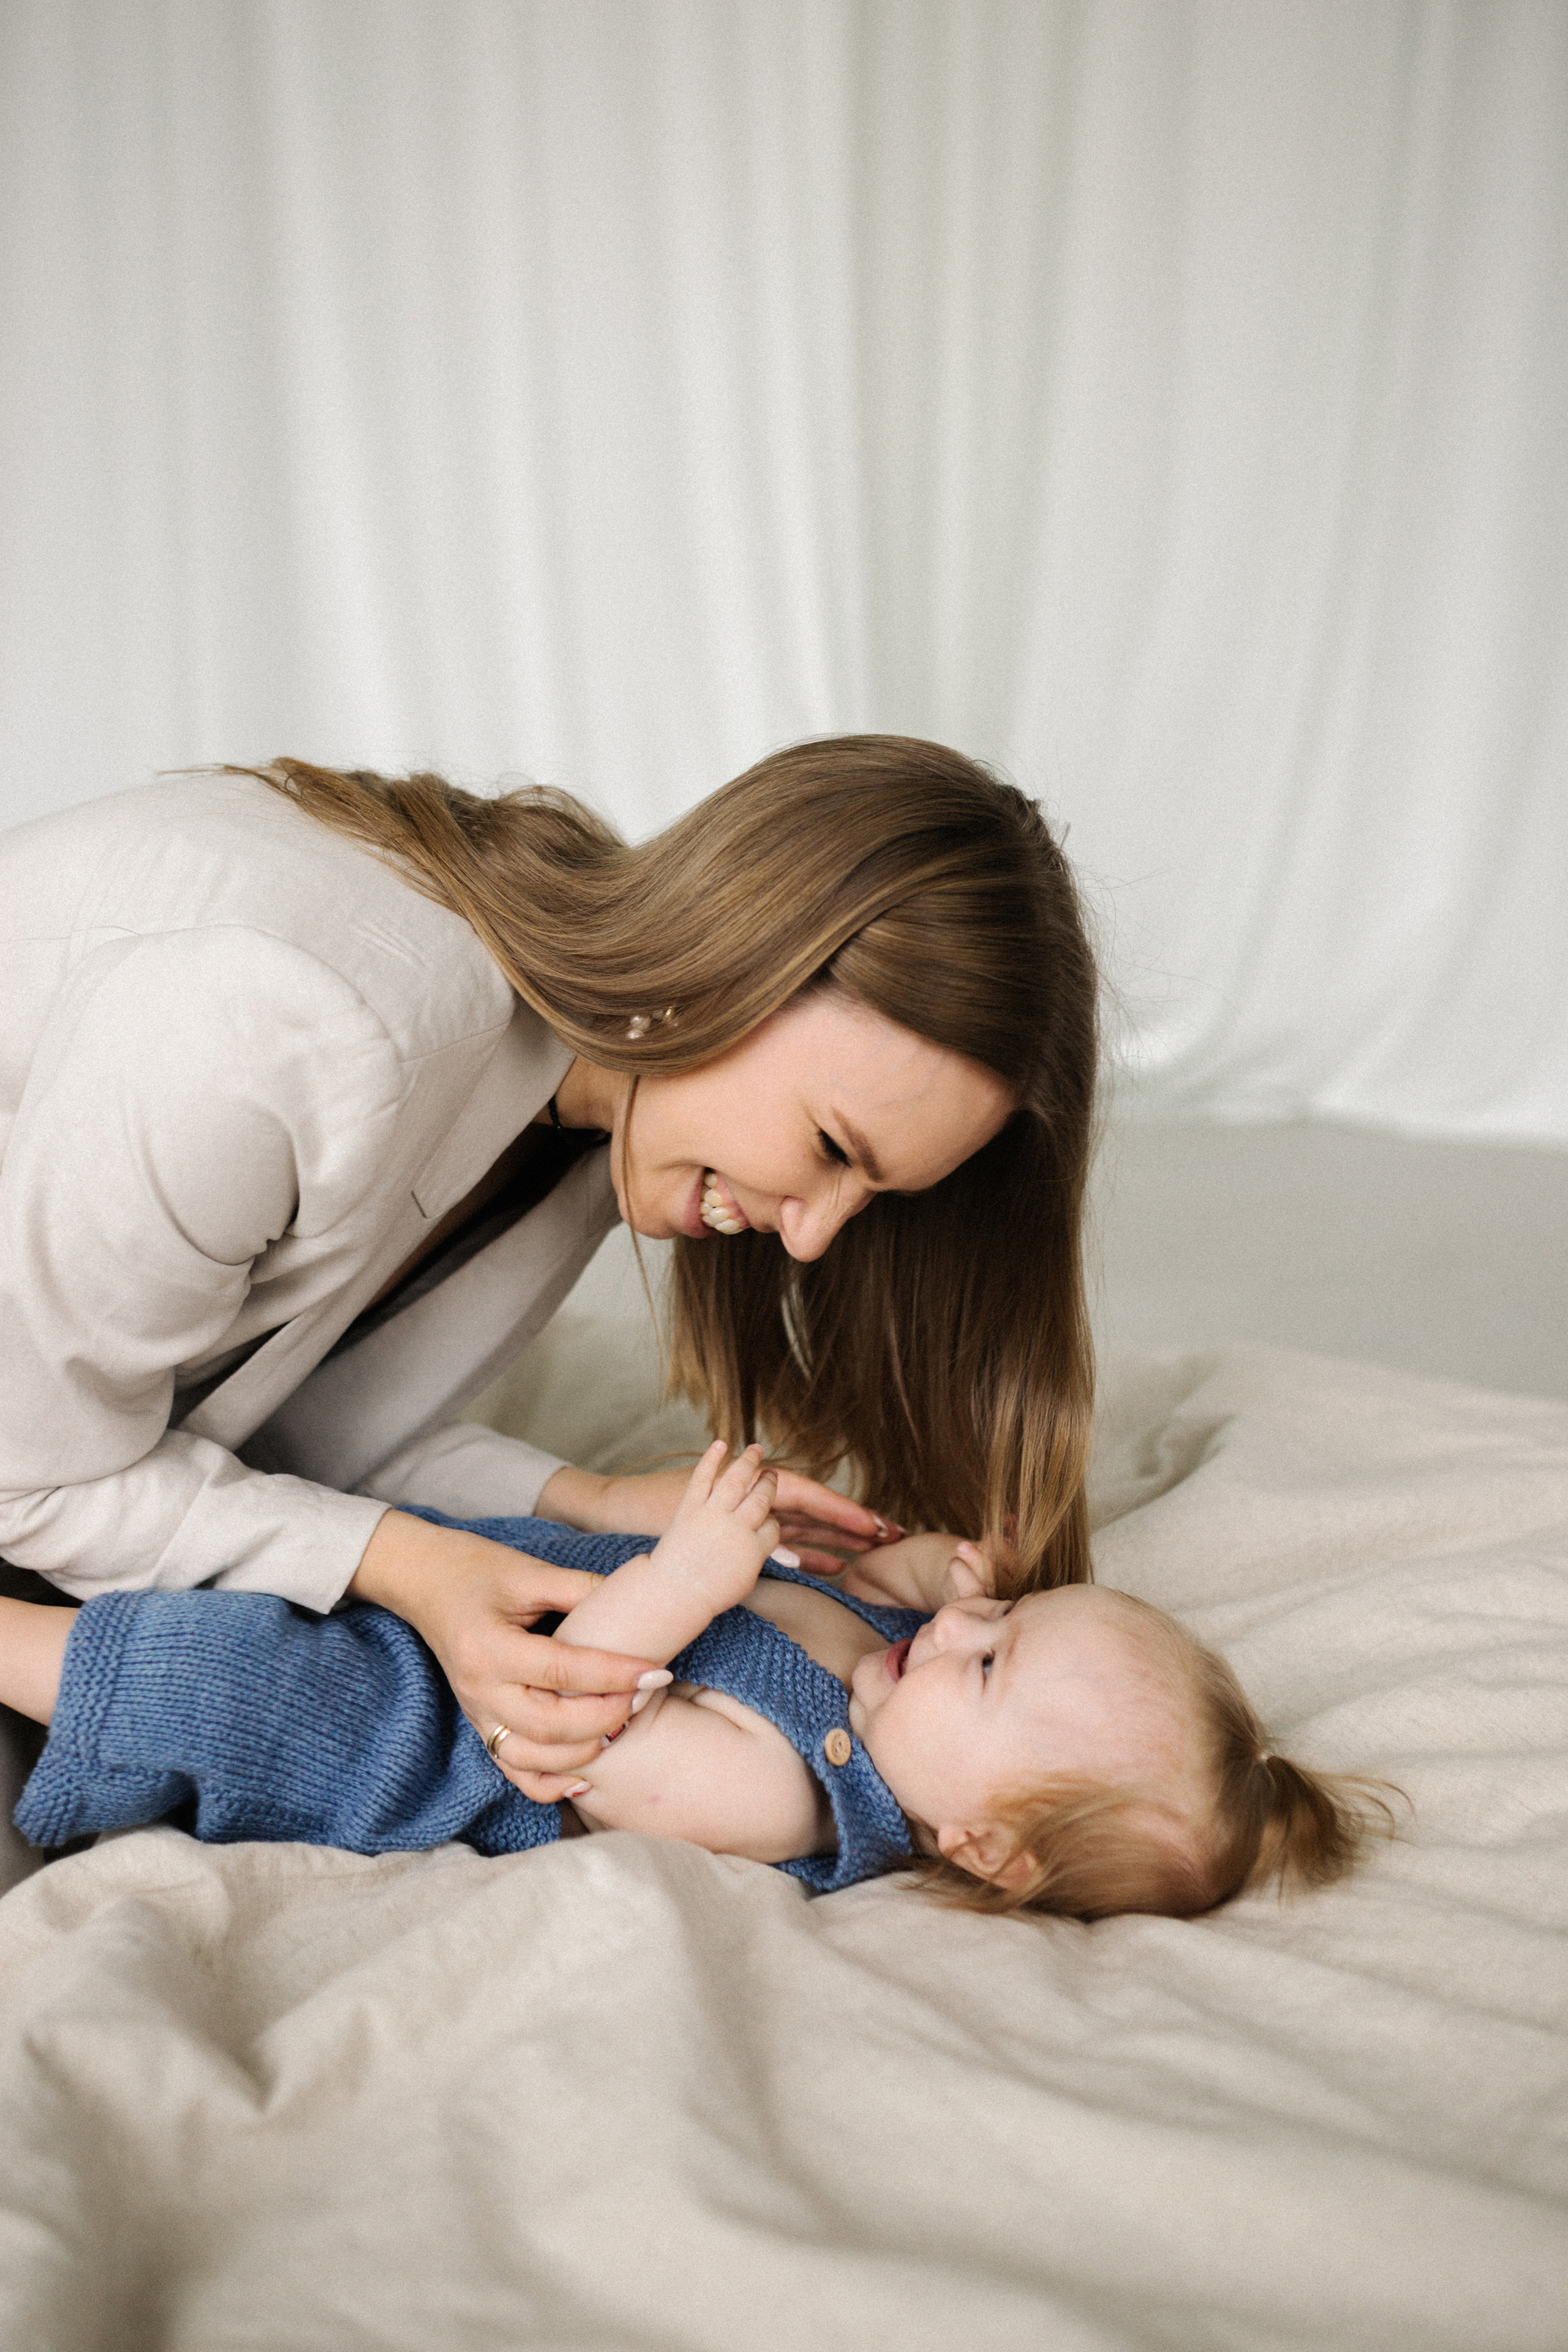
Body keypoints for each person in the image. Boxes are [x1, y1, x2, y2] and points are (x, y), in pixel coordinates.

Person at [0, 737, 1098, 1798]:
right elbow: (27, 1477)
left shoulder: (590, 1120)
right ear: (739, 957)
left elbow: (276, 1418)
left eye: (872, 1200)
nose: (814, 1239)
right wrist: (406, 1566)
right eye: (831, 1150)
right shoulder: (299, 1031)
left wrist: (593, 1498)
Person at [2, 1445, 1394, 1917]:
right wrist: (913, 1578)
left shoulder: (778, 1798)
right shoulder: (881, 1686)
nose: (963, 1638)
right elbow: (864, 1613)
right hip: (451, 1597)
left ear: (980, 1845)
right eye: (1005, 1618)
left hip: (392, 1728)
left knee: (213, 1674)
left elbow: (585, 1717)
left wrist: (688, 1579)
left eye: (988, 1671)